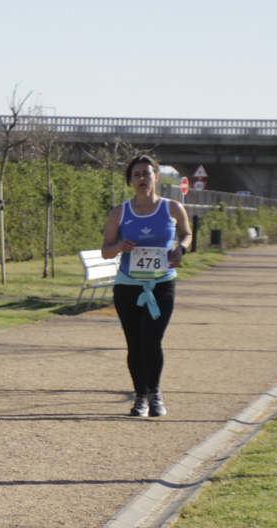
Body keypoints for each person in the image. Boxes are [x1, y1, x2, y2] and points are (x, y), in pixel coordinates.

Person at [100, 155, 192, 418]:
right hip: (128, 286)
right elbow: (105, 251)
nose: (142, 178)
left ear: (156, 177)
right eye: (136, 174)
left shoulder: (172, 207)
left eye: (146, 173)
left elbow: (186, 233)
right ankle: (140, 396)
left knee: (151, 340)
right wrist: (119, 246)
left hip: (161, 284)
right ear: (131, 181)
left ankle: (156, 393)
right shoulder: (121, 212)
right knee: (134, 343)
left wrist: (180, 249)